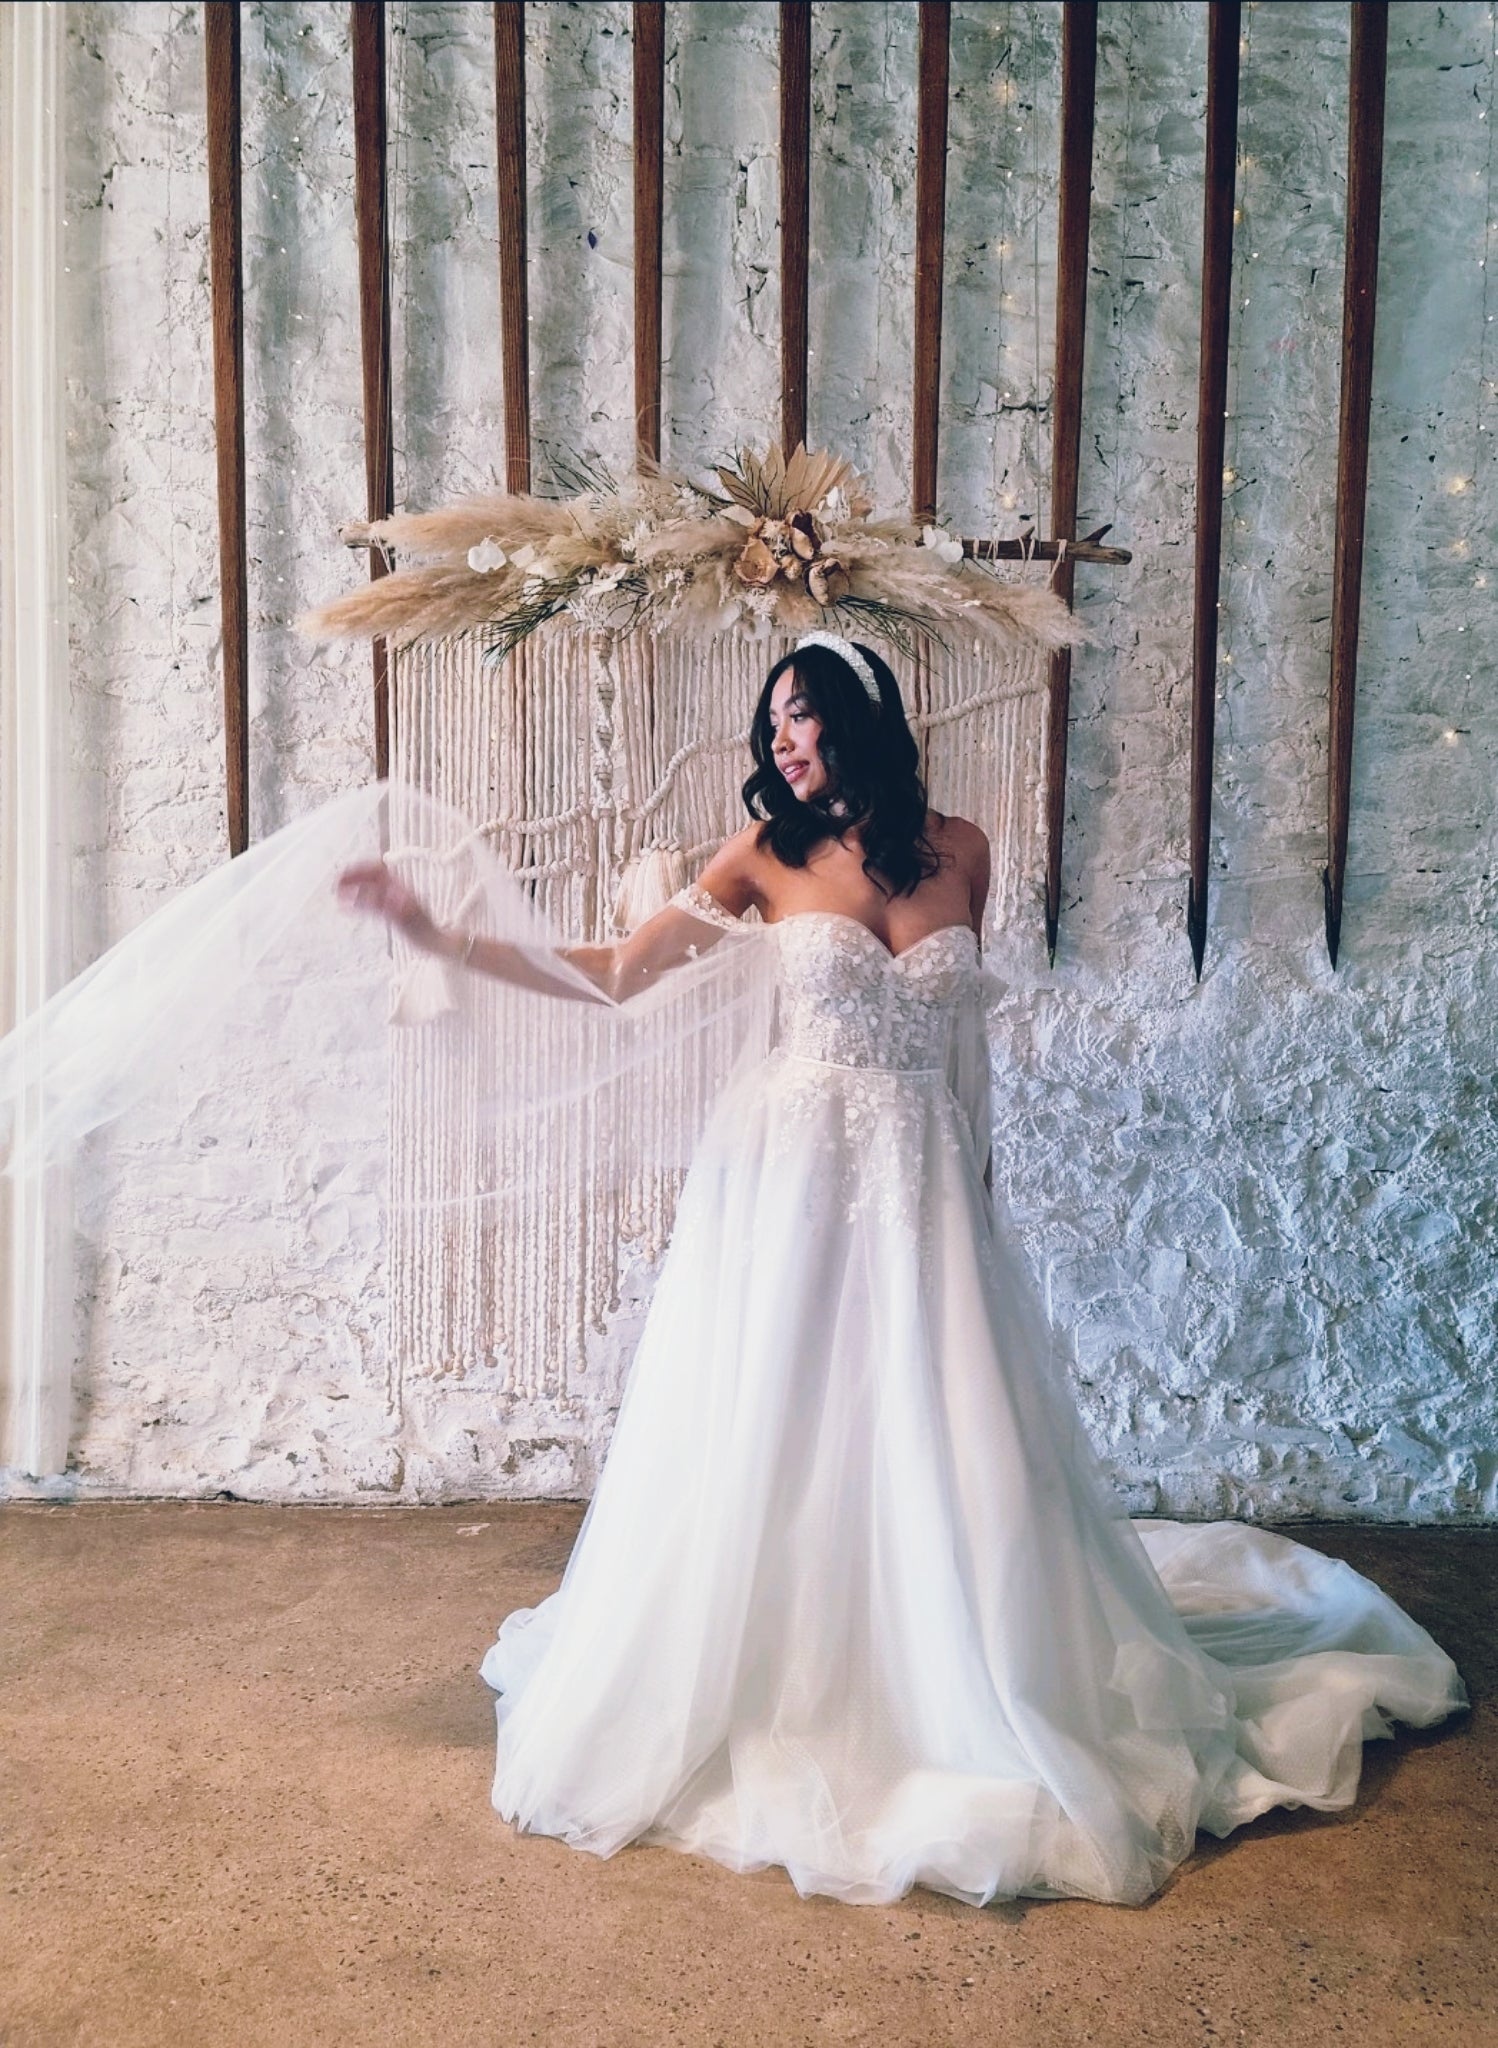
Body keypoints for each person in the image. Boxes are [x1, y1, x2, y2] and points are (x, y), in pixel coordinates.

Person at [336, 632, 1468, 1909]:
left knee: (941, 1426)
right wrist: (438, 933)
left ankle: (960, 1664)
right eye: (771, 722)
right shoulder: (760, 855)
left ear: (862, 718)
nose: (781, 740)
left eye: (802, 714)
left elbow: (964, 1043)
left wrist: (978, 1185)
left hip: (921, 1180)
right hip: (794, 1180)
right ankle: (786, 1662)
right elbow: (612, 977)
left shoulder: (963, 848)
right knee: (788, 1418)